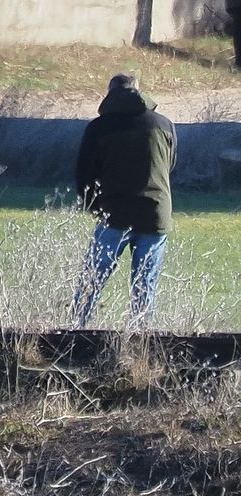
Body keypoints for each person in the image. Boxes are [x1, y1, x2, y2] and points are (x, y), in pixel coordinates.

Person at [72, 74, 176, 329]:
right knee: (144, 286)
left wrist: (94, 208)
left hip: (113, 214)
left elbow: (84, 173)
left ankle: (74, 334)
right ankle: (138, 345)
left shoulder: (99, 127)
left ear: (109, 94)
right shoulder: (164, 124)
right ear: (139, 92)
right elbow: (170, 165)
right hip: (155, 214)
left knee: (92, 281)